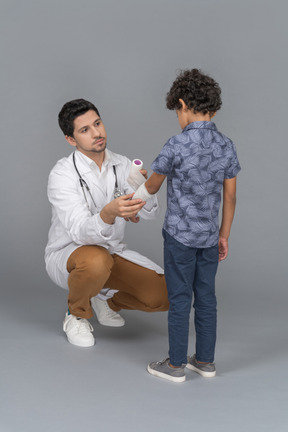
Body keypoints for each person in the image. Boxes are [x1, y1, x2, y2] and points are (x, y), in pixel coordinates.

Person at [133, 69, 241, 382]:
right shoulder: (226, 145)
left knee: (180, 298)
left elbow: (152, 187)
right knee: (206, 298)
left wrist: (142, 181)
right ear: (214, 110)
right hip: (209, 238)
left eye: (177, 112)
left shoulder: (176, 145)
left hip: (179, 238)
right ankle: (205, 361)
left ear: (182, 105)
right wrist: (224, 235)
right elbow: (230, 196)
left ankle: (176, 365)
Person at [45, 98, 169, 348]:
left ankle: (106, 301)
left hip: (110, 254)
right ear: (71, 139)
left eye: (98, 123)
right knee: (95, 260)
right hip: (69, 254)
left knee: (165, 296)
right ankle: (76, 314)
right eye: (85, 130)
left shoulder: (122, 164)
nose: (97, 133)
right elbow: (80, 232)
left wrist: (144, 191)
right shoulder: (62, 174)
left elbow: (148, 215)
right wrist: (109, 213)